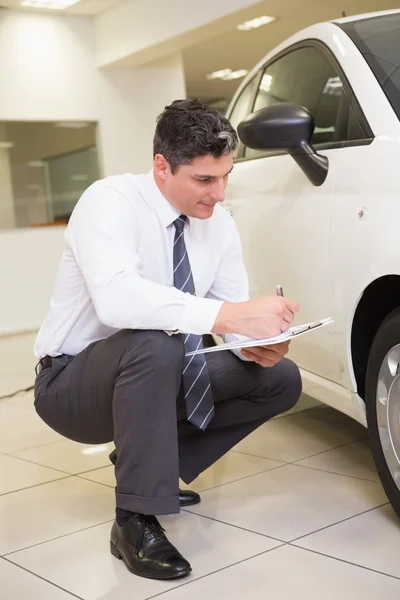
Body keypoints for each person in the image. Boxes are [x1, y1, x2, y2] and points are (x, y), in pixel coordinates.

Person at [33, 98, 302, 581]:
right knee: (156, 339)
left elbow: (231, 313)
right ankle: (133, 520)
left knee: (279, 379)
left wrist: (255, 341)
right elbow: (118, 300)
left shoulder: (219, 225)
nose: (219, 194)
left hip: (152, 375)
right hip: (71, 385)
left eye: (225, 177)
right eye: (204, 179)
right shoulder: (109, 201)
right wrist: (231, 314)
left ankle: (150, 460)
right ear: (162, 166)